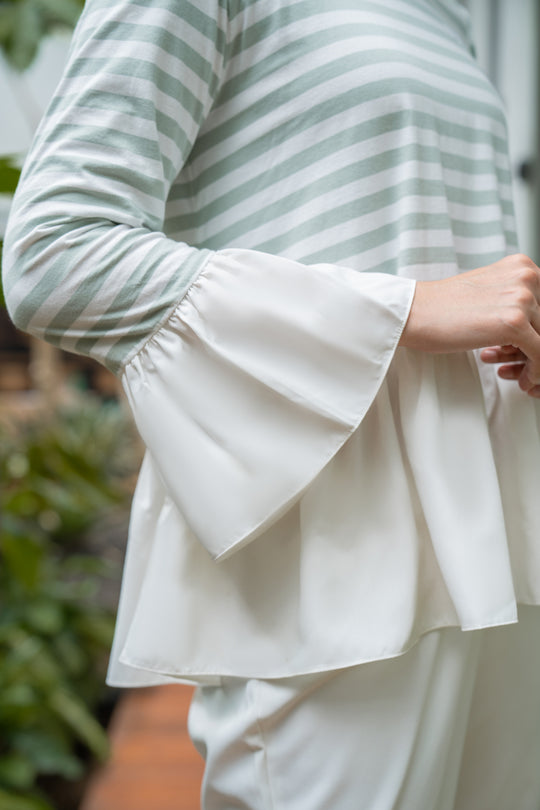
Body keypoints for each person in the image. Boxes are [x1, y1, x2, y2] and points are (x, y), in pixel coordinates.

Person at [4, 0, 540, 807]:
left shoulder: (445, 11)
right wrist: (406, 309)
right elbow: (56, 257)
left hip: (491, 530)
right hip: (330, 549)